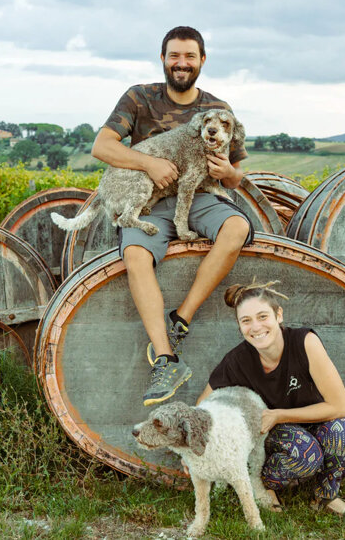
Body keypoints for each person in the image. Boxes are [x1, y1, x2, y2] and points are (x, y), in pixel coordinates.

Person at [91, 26, 253, 406]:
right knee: (135, 255)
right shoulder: (139, 97)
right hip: (151, 200)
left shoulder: (219, 109)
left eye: (189, 57)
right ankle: (166, 359)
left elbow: (238, 172)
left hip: (199, 196)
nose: (182, 64)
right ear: (163, 59)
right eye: (174, 56)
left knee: (237, 228)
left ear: (202, 60)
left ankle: (180, 319)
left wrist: (228, 174)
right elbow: (102, 147)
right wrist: (150, 164)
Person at [197, 280, 345, 517]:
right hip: (271, 436)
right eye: (246, 321)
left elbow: (340, 406)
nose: (256, 327)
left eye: (263, 316)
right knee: (305, 453)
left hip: (308, 422)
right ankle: (264, 485)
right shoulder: (237, 360)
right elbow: (203, 406)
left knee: (342, 431)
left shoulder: (304, 342)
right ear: (239, 326)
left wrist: (280, 415)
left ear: (278, 315)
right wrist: (196, 447)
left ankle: (326, 496)